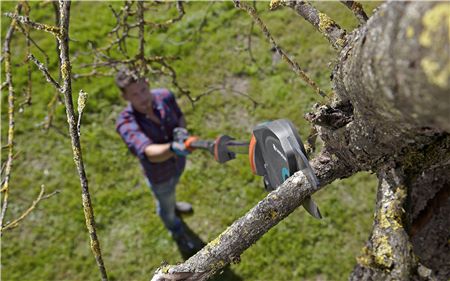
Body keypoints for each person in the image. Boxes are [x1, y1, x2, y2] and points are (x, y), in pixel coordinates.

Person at [115, 68, 196, 251]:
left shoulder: (165, 96)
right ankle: (175, 229)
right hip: (159, 176)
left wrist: (182, 133)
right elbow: (148, 151)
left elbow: (180, 117)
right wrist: (174, 148)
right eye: (134, 94)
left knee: (171, 192)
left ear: (148, 84)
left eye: (143, 89)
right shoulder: (126, 123)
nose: (142, 97)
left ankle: (174, 205)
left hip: (177, 165)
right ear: (125, 97)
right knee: (165, 204)